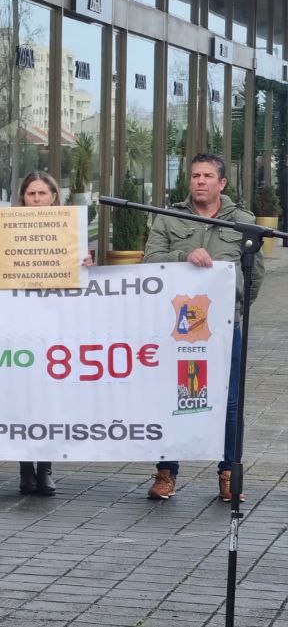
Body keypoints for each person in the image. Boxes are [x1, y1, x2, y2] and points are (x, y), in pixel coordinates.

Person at [142, 152, 262, 502]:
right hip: (176, 328)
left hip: (224, 328)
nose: (200, 181)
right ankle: (166, 472)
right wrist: (184, 256)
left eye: (208, 176)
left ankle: (228, 473)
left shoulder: (243, 221)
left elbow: (254, 277)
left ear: (222, 183)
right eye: (195, 176)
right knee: (174, 397)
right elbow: (149, 261)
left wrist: (235, 310)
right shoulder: (169, 217)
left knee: (229, 402)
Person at [0, 170, 94, 496]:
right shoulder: (6, 231)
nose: (36, 199)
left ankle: (44, 468)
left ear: (54, 197)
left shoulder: (70, 230)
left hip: (54, 326)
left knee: (47, 399)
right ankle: (24, 468)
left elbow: (80, 274)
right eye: (31, 194)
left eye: (42, 194)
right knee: (21, 399)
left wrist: (85, 262)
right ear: (23, 199)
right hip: (18, 325)